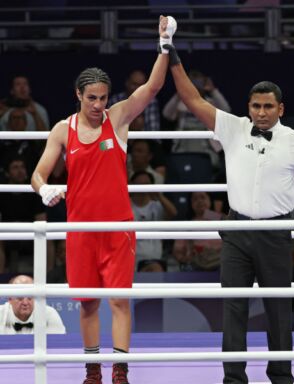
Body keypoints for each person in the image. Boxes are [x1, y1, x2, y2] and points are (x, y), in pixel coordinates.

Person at [163, 34, 294, 384]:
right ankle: (233, 379)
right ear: (248, 107)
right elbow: (190, 97)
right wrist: (170, 51)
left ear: (281, 109)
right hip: (235, 231)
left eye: (268, 107)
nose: (261, 113)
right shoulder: (232, 128)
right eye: (256, 106)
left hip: (277, 233)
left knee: (279, 309)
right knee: (234, 307)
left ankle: (281, 377)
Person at [30, 15, 176, 384]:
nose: (98, 104)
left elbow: (154, 86)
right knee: (89, 303)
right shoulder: (63, 129)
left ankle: (120, 371)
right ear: (78, 95)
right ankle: (93, 370)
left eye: (102, 98)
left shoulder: (119, 118)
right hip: (80, 229)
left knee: (119, 302)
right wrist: (44, 188)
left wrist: (164, 43)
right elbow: (37, 174)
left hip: (118, 227)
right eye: (91, 98)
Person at [0, 274, 65, 334]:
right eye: (20, 298)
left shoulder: (49, 313)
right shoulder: (1, 313)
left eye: (30, 298)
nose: (25, 303)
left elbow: (59, 343)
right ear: (10, 299)